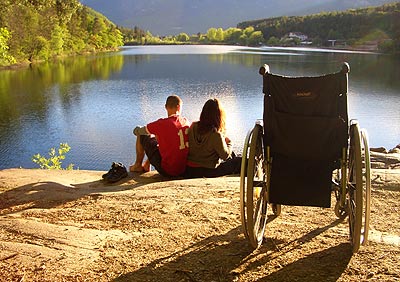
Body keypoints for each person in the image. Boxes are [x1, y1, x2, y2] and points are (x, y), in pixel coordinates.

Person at [129, 95, 190, 177]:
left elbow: (139, 132)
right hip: (183, 169)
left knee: (143, 135)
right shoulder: (185, 122)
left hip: (168, 170)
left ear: (165, 107)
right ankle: (146, 165)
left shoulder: (161, 124)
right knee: (160, 137)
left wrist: (137, 130)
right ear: (179, 107)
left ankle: (137, 166)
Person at [184, 98, 241, 178]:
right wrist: (229, 143)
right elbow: (225, 156)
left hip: (190, 170)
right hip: (208, 171)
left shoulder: (193, 126)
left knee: (233, 155)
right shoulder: (216, 135)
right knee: (239, 161)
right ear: (219, 116)